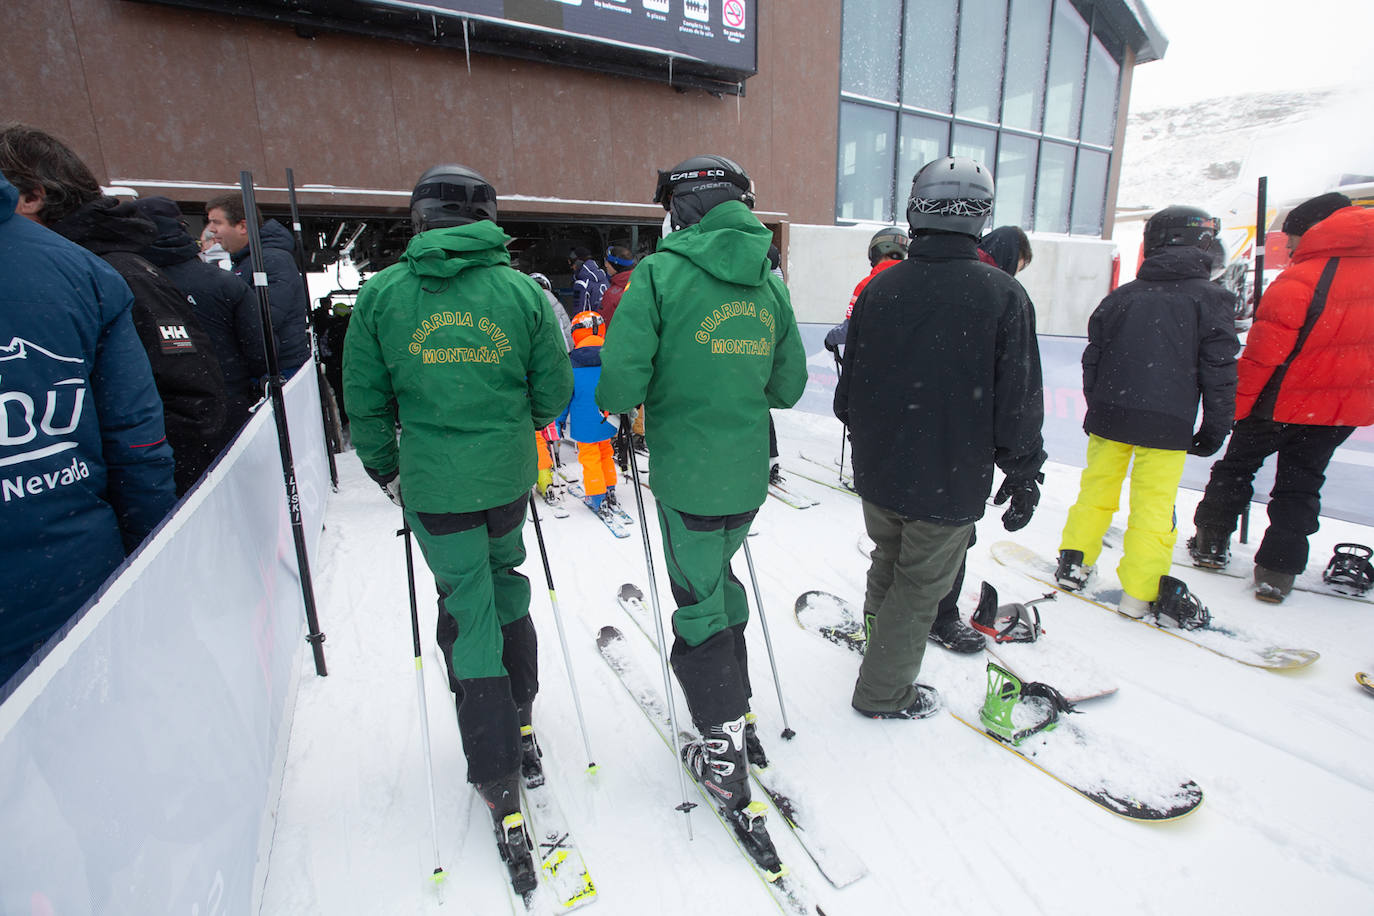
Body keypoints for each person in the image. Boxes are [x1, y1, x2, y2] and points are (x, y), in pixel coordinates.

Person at [342, 163, 572, 892]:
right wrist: (516, 424)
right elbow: (554, 387)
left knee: (468, 603)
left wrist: (385, 468)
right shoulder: (521, 292)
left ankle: (496, 760)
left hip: (437, 485)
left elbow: (365, 396)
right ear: (487, 216)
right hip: (504, 476)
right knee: (505, 583)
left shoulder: (382, 295)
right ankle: (521, 717)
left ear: (419, 218)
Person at [596, 154, 807, 844]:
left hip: (688, 474)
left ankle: (721, 750)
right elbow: (788, 385)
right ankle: (735, 713)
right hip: (745, 475)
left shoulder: (659, 273)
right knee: (718, 578)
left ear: (679, 210)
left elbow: (621, 380)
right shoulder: (769, 282)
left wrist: (632, 398)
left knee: (697, 601)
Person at [836, 156, 1045, 719]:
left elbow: (845, 395)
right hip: (949, 471)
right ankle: (883, 691)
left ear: (915, 209)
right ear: (981, 217)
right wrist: (1024, 470)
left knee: (890, 561)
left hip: (880, 468)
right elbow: (1018, 403)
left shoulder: (882, 289)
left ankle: (876, 651)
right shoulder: (1002, 294)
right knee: (919, 586)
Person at [0, 169, 177, 686]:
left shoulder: (85, 271)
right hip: (72, 585)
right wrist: (151, 560)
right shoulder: (78, 269)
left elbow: (140, 440)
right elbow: (139, 444)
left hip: (67, 580)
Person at [0, 123, 229, 495]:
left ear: (29, 197)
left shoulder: (115, 272)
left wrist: (144, 505)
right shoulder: (77, 269)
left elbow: (194, 404)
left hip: (135, 514)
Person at [1055, 205, 1238, 622]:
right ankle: (1140, 592)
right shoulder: (1210, 299)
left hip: (1111, 416)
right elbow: (1220, 371)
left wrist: (1098, 404)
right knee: (1154, 508)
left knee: (1095, 492)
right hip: (1167, 424)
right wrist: (1214, 428)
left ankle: (1073, 562)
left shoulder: (1123, 296)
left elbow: (1093, 360)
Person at [1188, 192, 1374, 602]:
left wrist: (1237, 407)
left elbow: (1263, 353)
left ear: (1312, 232)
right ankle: (1279, 569)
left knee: (1236, 468)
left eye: (1290, 240)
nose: (1288, 249)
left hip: (1278, 402)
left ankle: (1211, 542)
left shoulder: (1301, 277)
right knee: (1302, 484)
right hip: (1339, 412)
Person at [134, 196, 268, 435]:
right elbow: (262, 350)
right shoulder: (222, 282)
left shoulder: (123, 281)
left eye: (216, 222)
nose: (212, 230)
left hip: (161, 418)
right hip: (229, 405)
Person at [205, 192, 311, 374]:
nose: (211, 229)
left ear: (243, 226)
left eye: (217, 222)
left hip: (279, 372)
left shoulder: (270, 260)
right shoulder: (248, 261)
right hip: (266, 369)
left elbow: (263, 320)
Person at [564, 311, 620, 517]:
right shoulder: (611, 357)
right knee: (605, 451)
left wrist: (559, 420)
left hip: (584, 420)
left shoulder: (571, 363)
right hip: (607, 417)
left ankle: (596, 496)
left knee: (590, 457)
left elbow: (565, 396)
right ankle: (610, 488)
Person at [823, 225, 908, 357]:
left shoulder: (867, 285)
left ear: (875, 252)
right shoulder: (916, 283)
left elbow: (849, 329)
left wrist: (831, 338)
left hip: (873, 365)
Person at [599, 245, 636, 328]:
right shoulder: (645, 284)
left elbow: (607, 327)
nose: (606, 265)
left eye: (607, 261)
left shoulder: (611, 296)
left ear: (616, 265)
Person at [570, 246, 608, 319]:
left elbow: (579, 314)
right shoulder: (604, 278)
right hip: (605, 323)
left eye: (572, 263)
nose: (571, 267)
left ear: (578, 263)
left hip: (590, 327)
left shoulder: (581, 284)